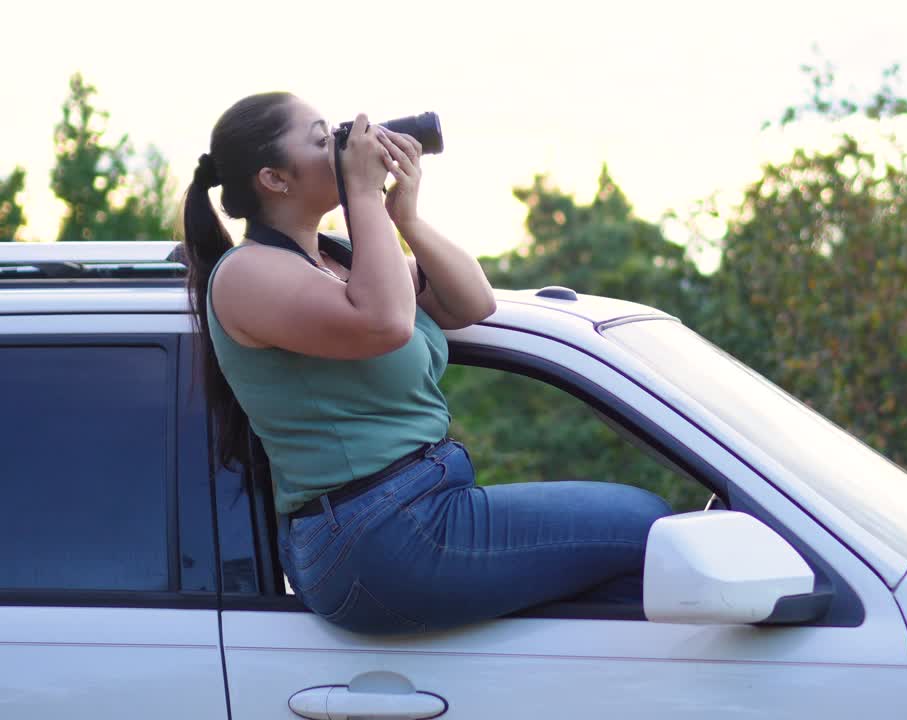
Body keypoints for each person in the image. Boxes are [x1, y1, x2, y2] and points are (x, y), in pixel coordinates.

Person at [181, 92, 673, 634]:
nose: (346, 146)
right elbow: (386, 324)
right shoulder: (247, 274)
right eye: (324, 140)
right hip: (378, 535)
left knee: (629, 581)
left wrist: (404, 215)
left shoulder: (338, 258)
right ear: (274, 179)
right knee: (649, 529)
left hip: (411, 516)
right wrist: (363, 196)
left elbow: (471, 301)